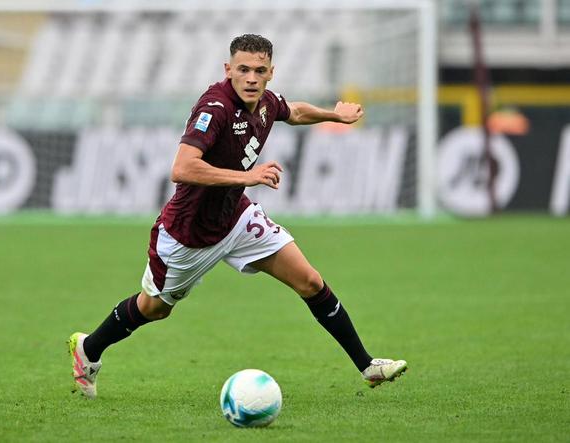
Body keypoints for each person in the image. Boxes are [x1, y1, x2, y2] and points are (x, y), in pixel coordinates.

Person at [69, 34, 407, 399]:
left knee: (309, 280)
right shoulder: (214, 108)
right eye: (243, 70)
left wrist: (334, 115)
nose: (251, 78)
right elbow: (182, 168)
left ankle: (367, 365)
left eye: (259, 71)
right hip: (188, 234)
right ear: (228, 69)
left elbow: (293, 111)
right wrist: (247, 177)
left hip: (236, 219)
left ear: (270, 73)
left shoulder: (265, 102)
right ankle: (89, 349)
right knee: (154, 308)